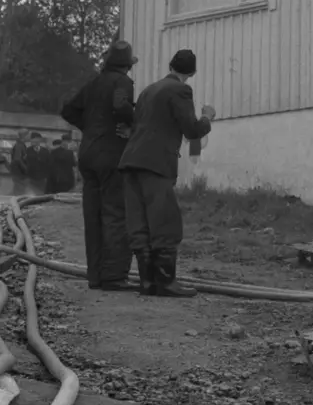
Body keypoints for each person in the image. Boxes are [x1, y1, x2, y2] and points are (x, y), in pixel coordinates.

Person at [118, 48, 214, 298]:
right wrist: (207, 117)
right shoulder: (180, 90)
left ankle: (147, 282)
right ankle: (165, 283)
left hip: (130, 161)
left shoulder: (149, 90)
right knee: (164, 223)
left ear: (171, 65)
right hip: (156, 164)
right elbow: (192, 130)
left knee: (139, 223)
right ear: (192, 72)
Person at [60, 41, 138, 291]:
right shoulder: (122, 81)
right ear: (127, 64)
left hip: (88, 153)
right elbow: (120, 105)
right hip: (111, 154)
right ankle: (114, 276)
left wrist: (91, 128)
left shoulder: (94, 82)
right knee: (115, 213)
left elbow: (68, 110)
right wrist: (135, 122)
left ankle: (95, 276)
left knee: (92, 215)